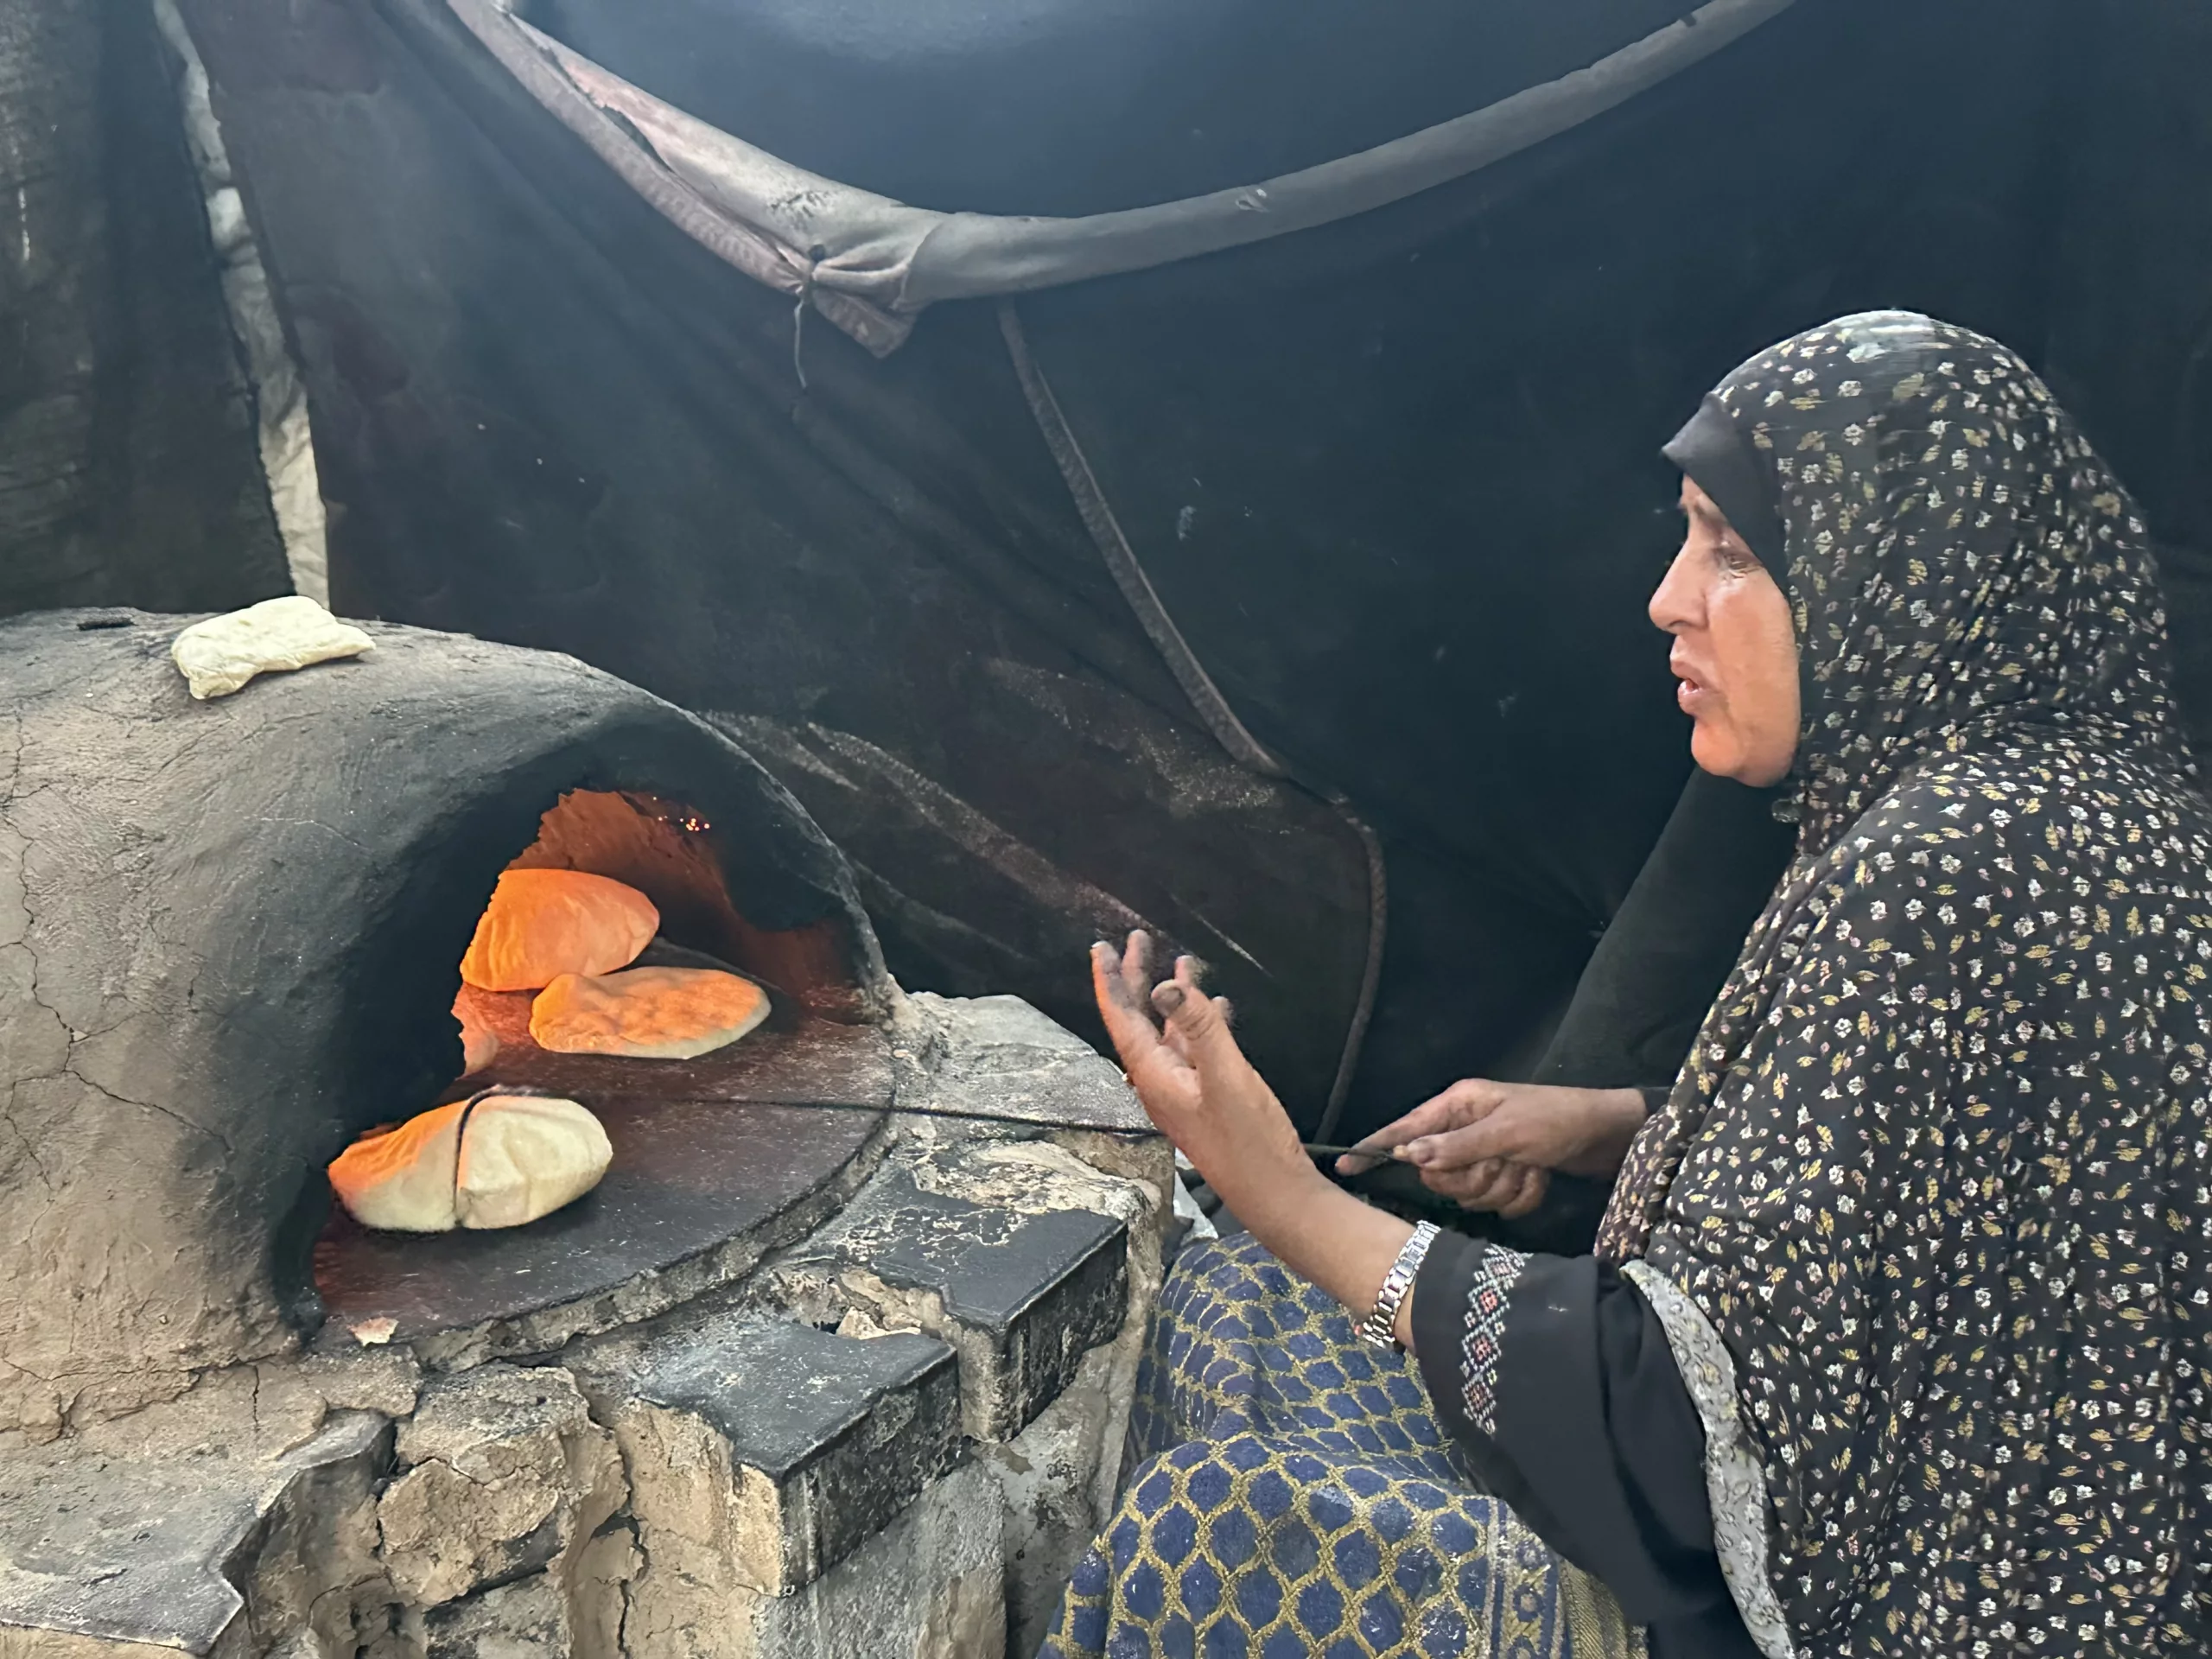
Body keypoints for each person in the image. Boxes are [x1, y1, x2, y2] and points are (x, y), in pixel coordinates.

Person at [1038, 311, 2212, 1659]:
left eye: (1733, 551)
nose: (1670, 598)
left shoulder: (1941, 868)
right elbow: (1947, 1209)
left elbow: (1676, 1437)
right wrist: (1621, 1132)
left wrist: (1279, 1190)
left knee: (1209, 1520)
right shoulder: (2093, 810)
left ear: (1899, 578)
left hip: (1889, 1611)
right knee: (1240, 1301)